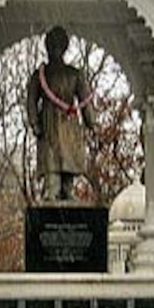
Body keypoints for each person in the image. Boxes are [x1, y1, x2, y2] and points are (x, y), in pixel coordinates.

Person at [26, 26, 96, 201]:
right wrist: (35, 123)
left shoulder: (74, 74)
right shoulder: (42, 75)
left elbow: (85, 100)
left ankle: (64, 191)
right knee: (57, 160)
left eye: (57, 45)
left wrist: (91, 121)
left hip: (63, 121)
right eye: (53, 45)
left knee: (64, 160)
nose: (55, 49)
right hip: (56, 122)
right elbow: (31, 101)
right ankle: (55, 191)